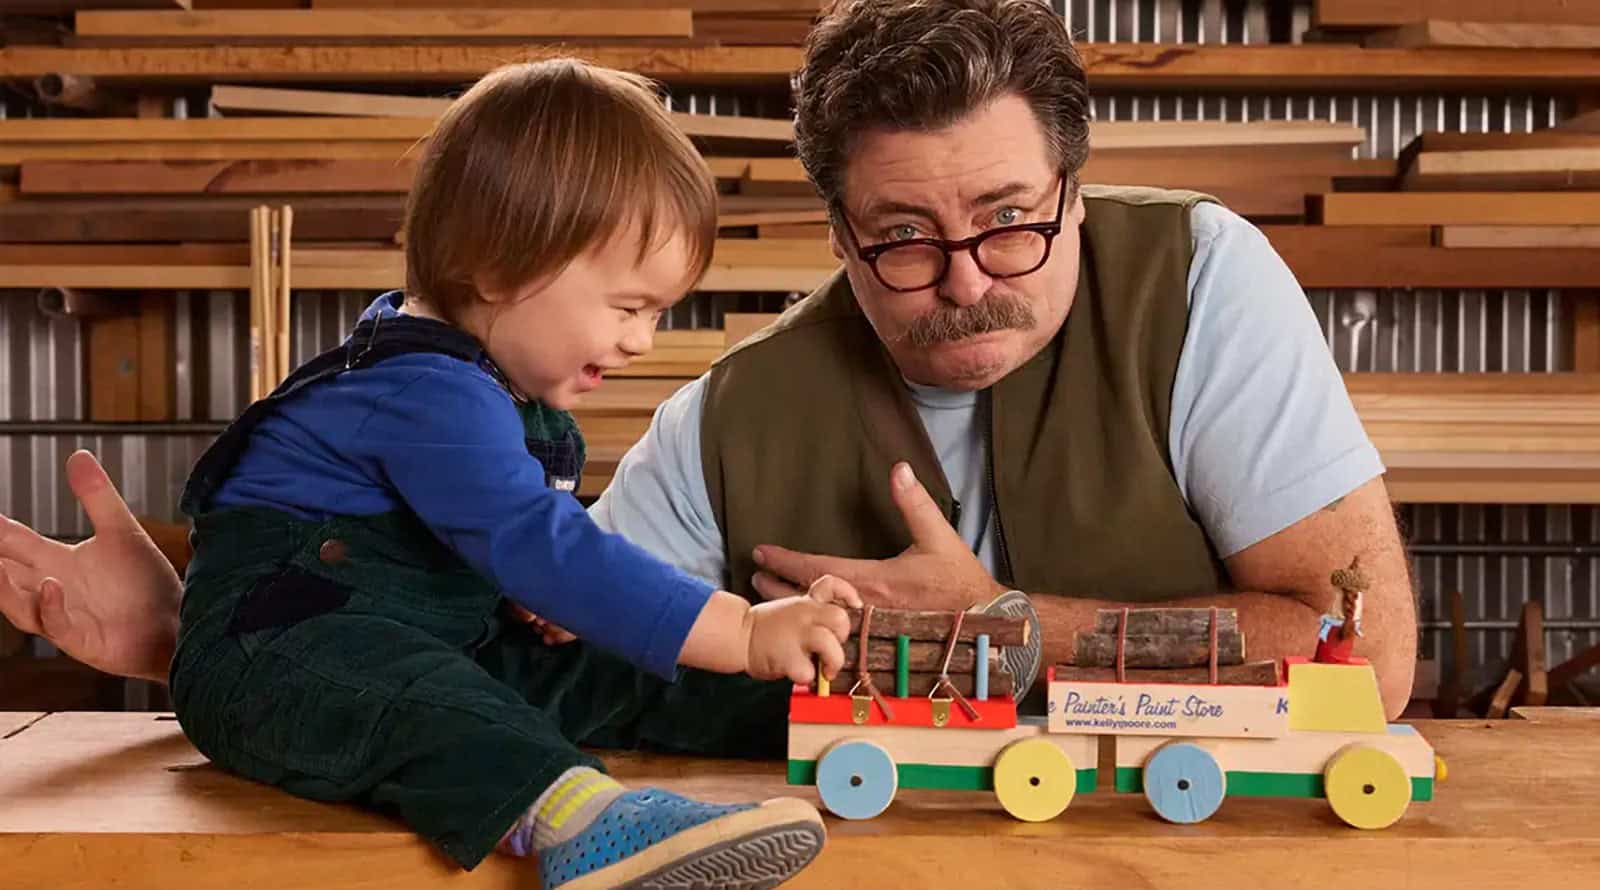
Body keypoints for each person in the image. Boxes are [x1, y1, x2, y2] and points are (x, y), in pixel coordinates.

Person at [2, 0, 1417, 790]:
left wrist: (1006, 626)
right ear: (837, 234)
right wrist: (205, 635)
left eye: (1010, 218)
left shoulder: (1201, 281)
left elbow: (1364, 658)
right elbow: (523, 651)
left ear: (1077, 191)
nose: (968, 277)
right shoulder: (723, 417)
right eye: (903, 238)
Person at [9, 59, 879, 889]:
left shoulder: (510, 401)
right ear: (500, 270)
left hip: (429, 640)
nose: (641, 341)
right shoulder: (427, 392)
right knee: (430, 701)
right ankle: (580, 823)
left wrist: (536, 607)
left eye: (657, 314)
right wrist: (742, 630)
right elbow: (543, 545)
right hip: (278, 659)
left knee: (605, 669)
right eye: (627, 307)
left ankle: (804, 721)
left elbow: (513, 555)